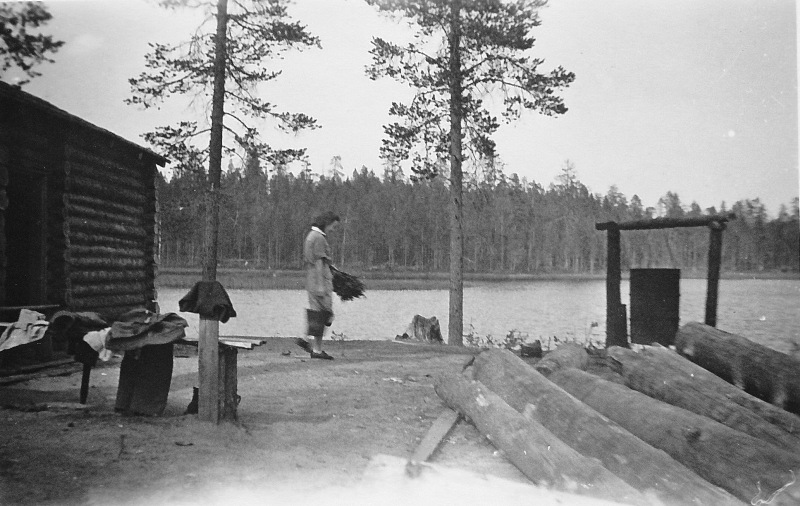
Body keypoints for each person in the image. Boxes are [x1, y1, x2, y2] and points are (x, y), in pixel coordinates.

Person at [296, 211, 340, 360]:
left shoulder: (311, 236)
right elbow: (319, 262)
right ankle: (312, 345)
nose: (333, 230)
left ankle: (310, 343)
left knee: (317, 313)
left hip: (311, 279)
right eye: (333, 226)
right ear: (326, 223)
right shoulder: (319, 238)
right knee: (326, 315)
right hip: (320, 280)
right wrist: (321, 285)